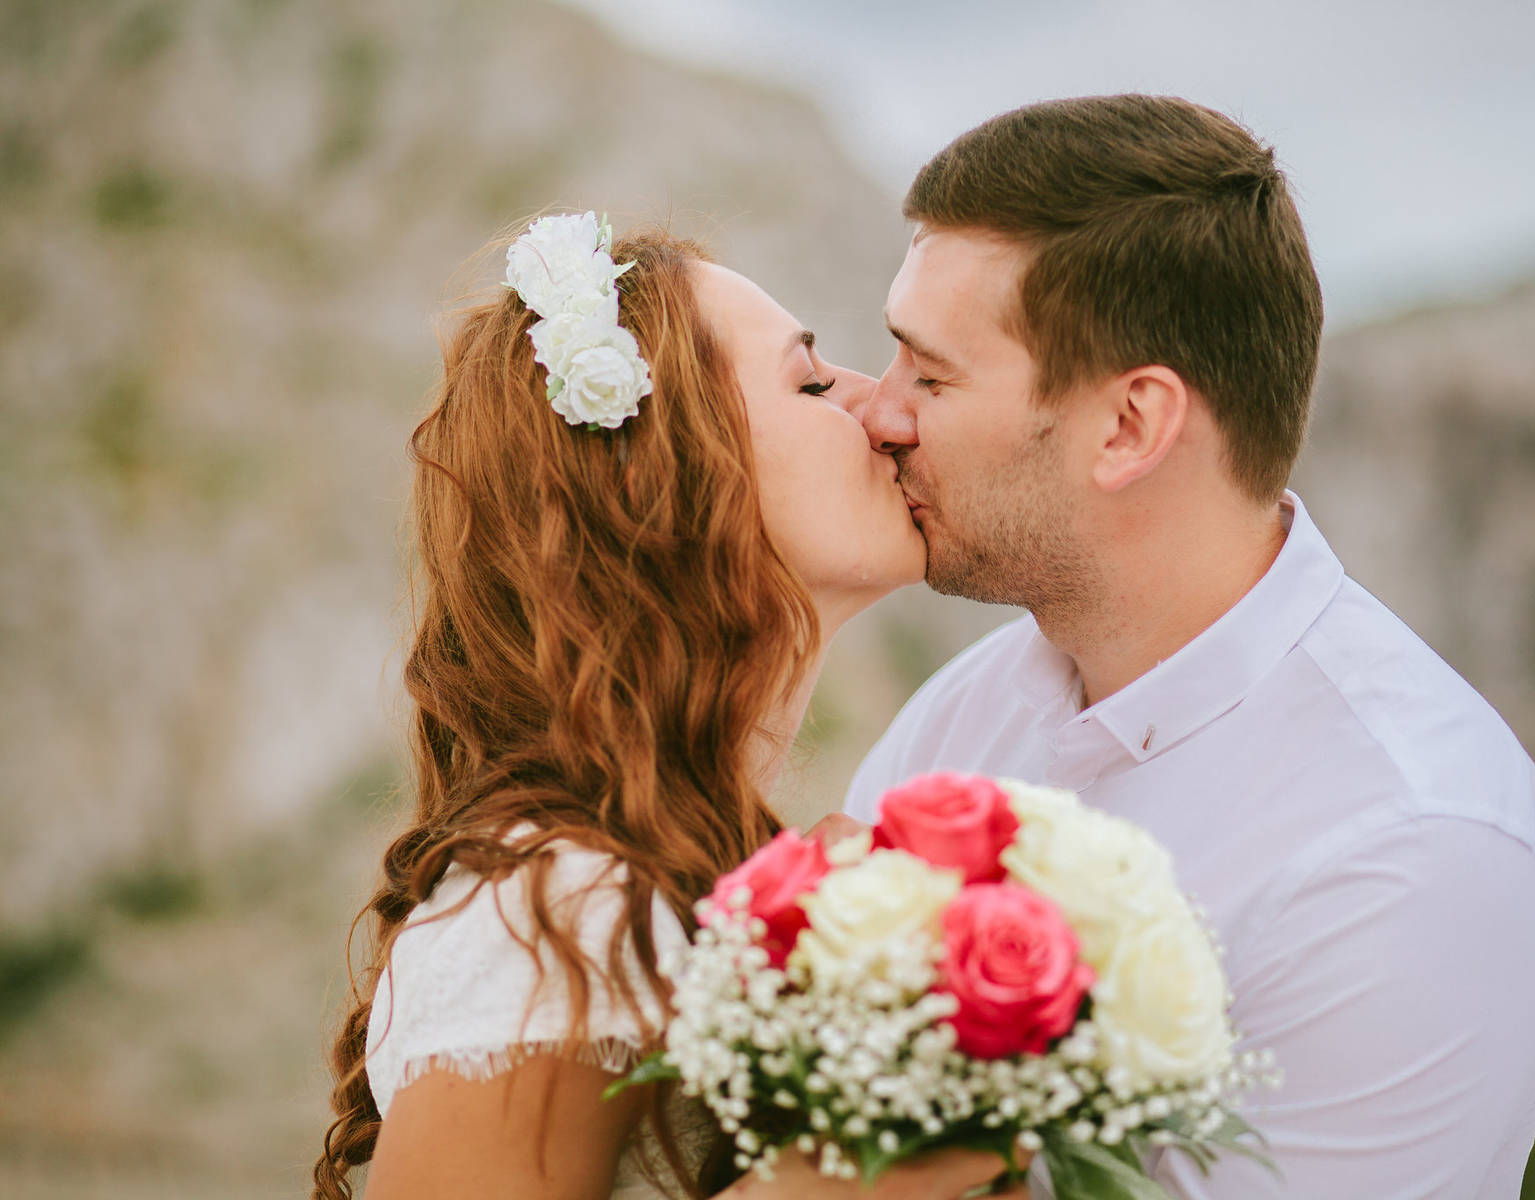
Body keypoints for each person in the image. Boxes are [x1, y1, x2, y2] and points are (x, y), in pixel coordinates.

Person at [842, 95, 1535, 1198]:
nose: (879, 410)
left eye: (931, 374)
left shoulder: (1413, 855)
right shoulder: (964, 715)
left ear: (1130, 428)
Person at [314, 219, 1023, 1200]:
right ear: (658, 479)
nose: (885, 407)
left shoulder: (715, 875)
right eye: (811, 383)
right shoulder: (559, 908)